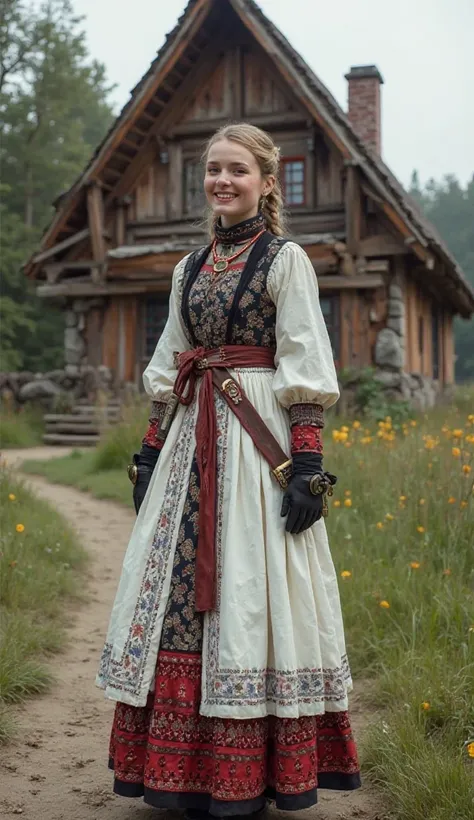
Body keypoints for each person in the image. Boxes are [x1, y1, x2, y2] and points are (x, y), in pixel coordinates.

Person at [97, 123, 361, 817]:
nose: (222, 180)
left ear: (266, 182)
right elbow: (169, 367)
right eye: (213, 169)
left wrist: (307, 463)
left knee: (253, 587)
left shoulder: (285, 260)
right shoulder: (188, 267)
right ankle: (179, 771)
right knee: (171, 598)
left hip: (254, 447)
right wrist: (151, 451)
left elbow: (304, 359)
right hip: (190, 442)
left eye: (237, 170)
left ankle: (252, 773)